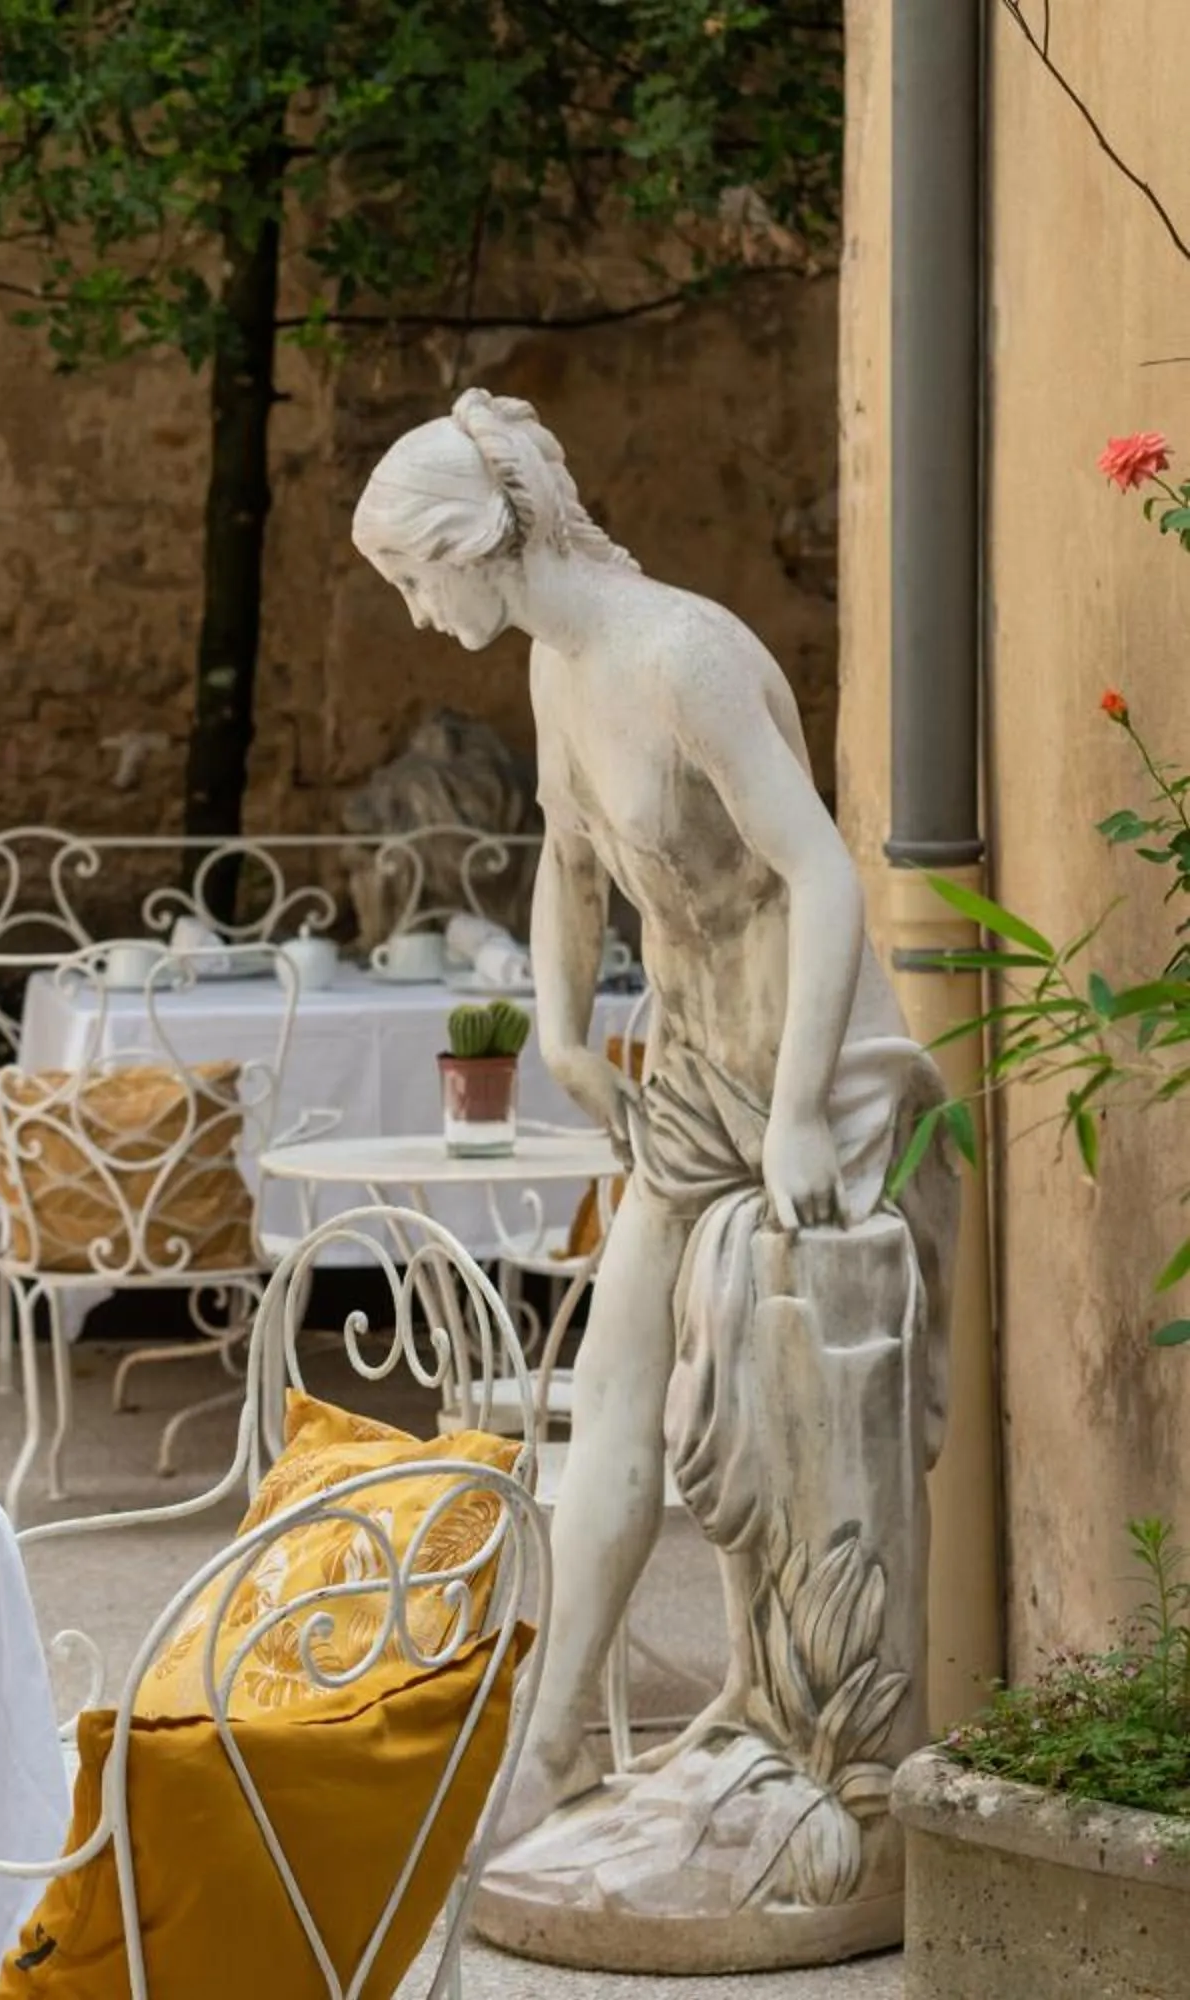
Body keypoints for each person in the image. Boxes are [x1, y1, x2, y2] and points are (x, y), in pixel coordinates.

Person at [348, 389, 954, 1839]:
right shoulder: (559, 669)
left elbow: (823, 877)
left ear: (480, 543)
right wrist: (562, 1032)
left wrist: (798, 1109)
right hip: (693, 1068)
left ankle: (817, 1748)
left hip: (816, 1071)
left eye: (416, 580)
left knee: (781, 1400)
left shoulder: (684, 655)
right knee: (613, 1383)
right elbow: (567, 864)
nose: (418, 615)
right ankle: (555, 1742)